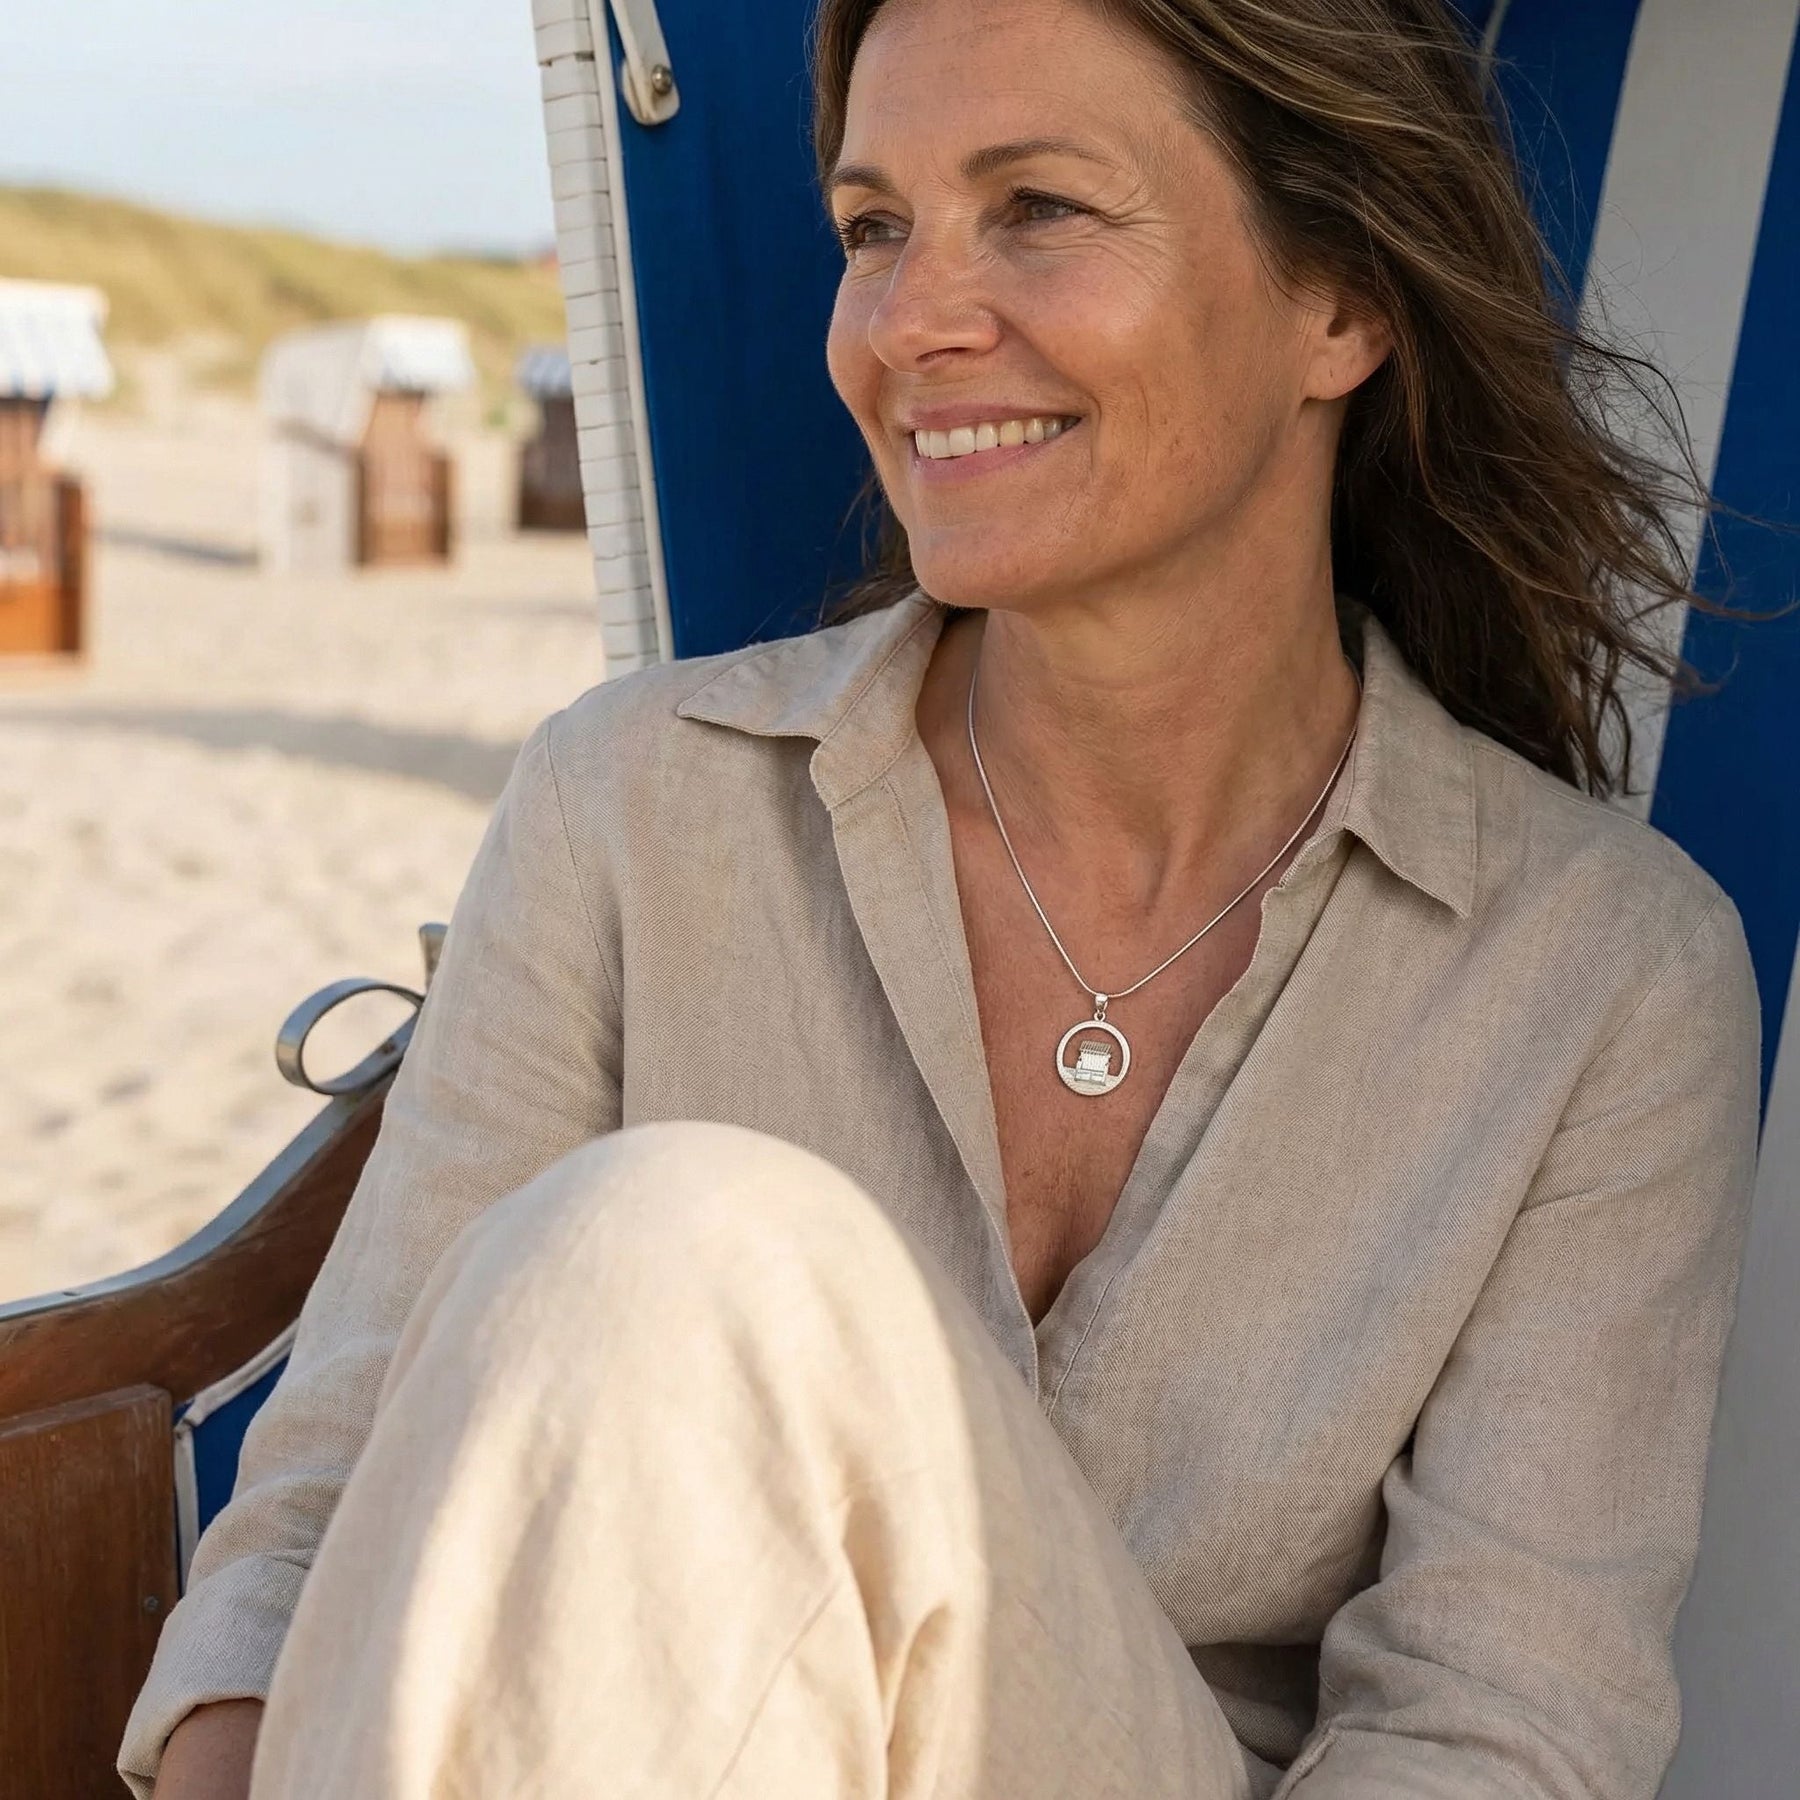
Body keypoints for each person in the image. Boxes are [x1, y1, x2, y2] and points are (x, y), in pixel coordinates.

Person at [124, 0, 1760, 1795]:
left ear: (1342, 303)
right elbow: (317, 1536)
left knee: (682, 1243)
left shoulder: (1604, 979)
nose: (910, 323)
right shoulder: (632, 808)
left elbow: (1499, 1734)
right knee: (656, 1265)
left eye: (1039, 207)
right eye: (873, 227)